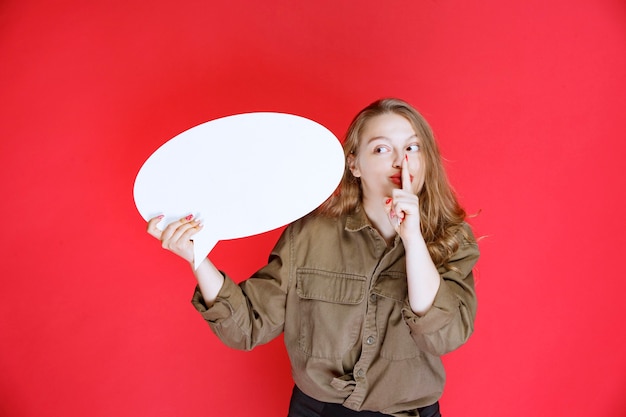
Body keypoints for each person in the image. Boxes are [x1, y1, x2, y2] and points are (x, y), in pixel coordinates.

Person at [147, 98, 480, 417]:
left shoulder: (452, 238)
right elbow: (248, 327)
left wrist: (413, 239)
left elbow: (443, 336)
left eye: (412, 147)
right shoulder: (309, 233)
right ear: (354, 165)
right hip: (318, 411)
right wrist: (197, 257)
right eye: (381, 149)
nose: (399, 161)